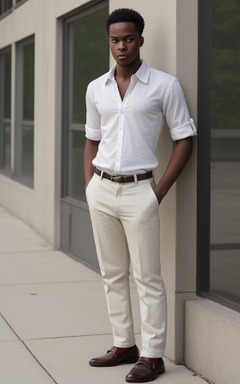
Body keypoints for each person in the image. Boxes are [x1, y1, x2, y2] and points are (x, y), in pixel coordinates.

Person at [84, 8, 197, 383]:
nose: (121, 46)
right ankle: (124, 345)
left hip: (139, 192)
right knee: (112, 273)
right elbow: (91, 139)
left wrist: (158, 192)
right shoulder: (96, 88)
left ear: (140, 40)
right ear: (109, 42)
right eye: (115, 40)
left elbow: (185, 138)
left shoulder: (165, 85)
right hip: (101, 189)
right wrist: (90, 186)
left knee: (147, 276)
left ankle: (152, 355)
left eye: (128, 39)